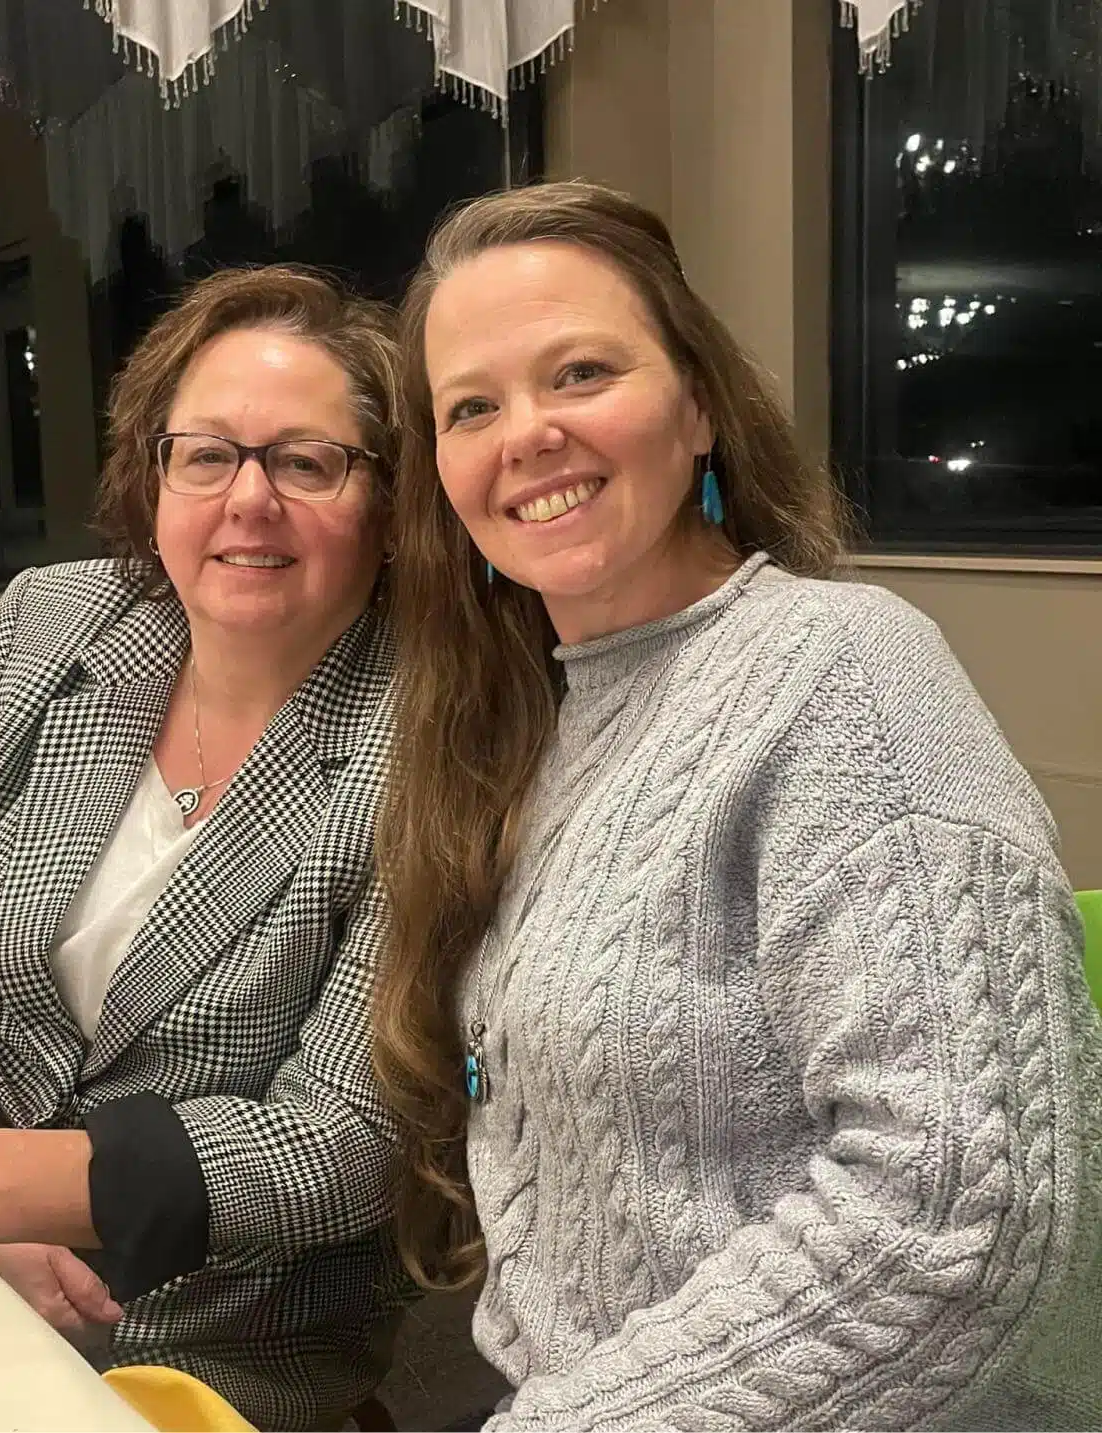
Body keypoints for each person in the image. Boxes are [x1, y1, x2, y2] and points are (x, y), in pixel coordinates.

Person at [373, 182, 1102, 1430]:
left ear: (699, 405)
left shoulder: (846, 673)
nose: (526, 434)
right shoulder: (524, 724)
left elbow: (962, 1207)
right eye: (472, 407)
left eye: (582, 371)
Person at [0, 266, 407, 1429]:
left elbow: (347, 1134)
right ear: (155, 471)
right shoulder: (56, 621)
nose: (249, 498)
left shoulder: (430, 735)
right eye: (208, 453)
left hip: (214, 1342)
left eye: (307, 460)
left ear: (388, 502)